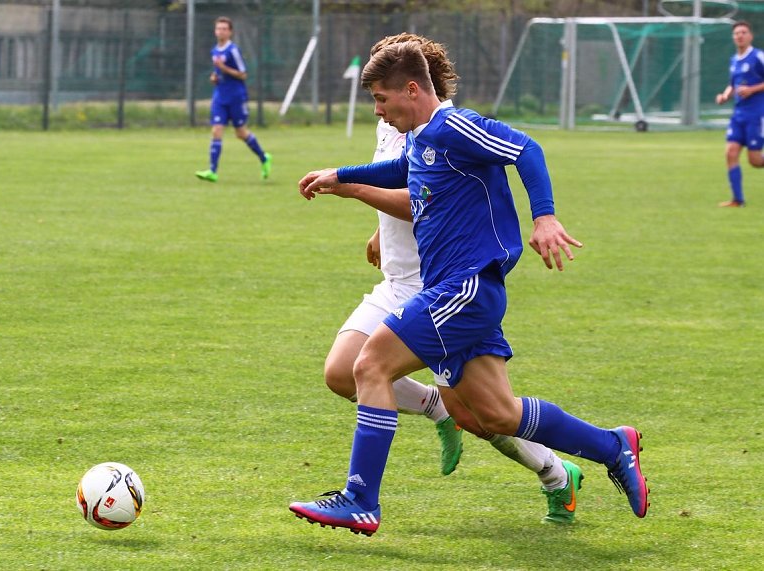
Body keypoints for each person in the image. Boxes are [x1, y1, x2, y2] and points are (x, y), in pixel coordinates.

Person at [289, 40, 649, 536]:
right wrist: (341, 176)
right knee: (497, 415)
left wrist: (544, 217)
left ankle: (360, 500)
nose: (377, 110)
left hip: (464, 287)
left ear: (412, 89)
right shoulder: (422, 137)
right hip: (459, 291)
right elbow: (403, 171)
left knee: (370, 363)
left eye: (380, 98)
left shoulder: (455, 125)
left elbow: (527, 148)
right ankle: (613, 446)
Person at [195, 16, 271, 183]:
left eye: (224, 29)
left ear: (230, 32)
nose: (220, 31)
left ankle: (264, 158)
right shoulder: (214, 50)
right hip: (220, 96)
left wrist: (224, 68)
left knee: (241, 133)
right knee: (216, 130)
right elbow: (219, 73)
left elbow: (243, 74)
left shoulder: (233, 50)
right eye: (218, 28)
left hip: (236, 96)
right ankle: (212, 171)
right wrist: (215, 76)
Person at [715, 21, 764, 207]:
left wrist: (752, 89)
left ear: (750, 35)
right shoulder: (734, 60)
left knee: (755, 160)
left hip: (757, 114)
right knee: (731, 152)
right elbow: (733, 84)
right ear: (733, 37)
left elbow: (751, 87)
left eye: (743, 32)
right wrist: (725, 95)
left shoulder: (758, 56)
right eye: (736, 33)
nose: (740, 36)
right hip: (739, 114)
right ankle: (738, 200)